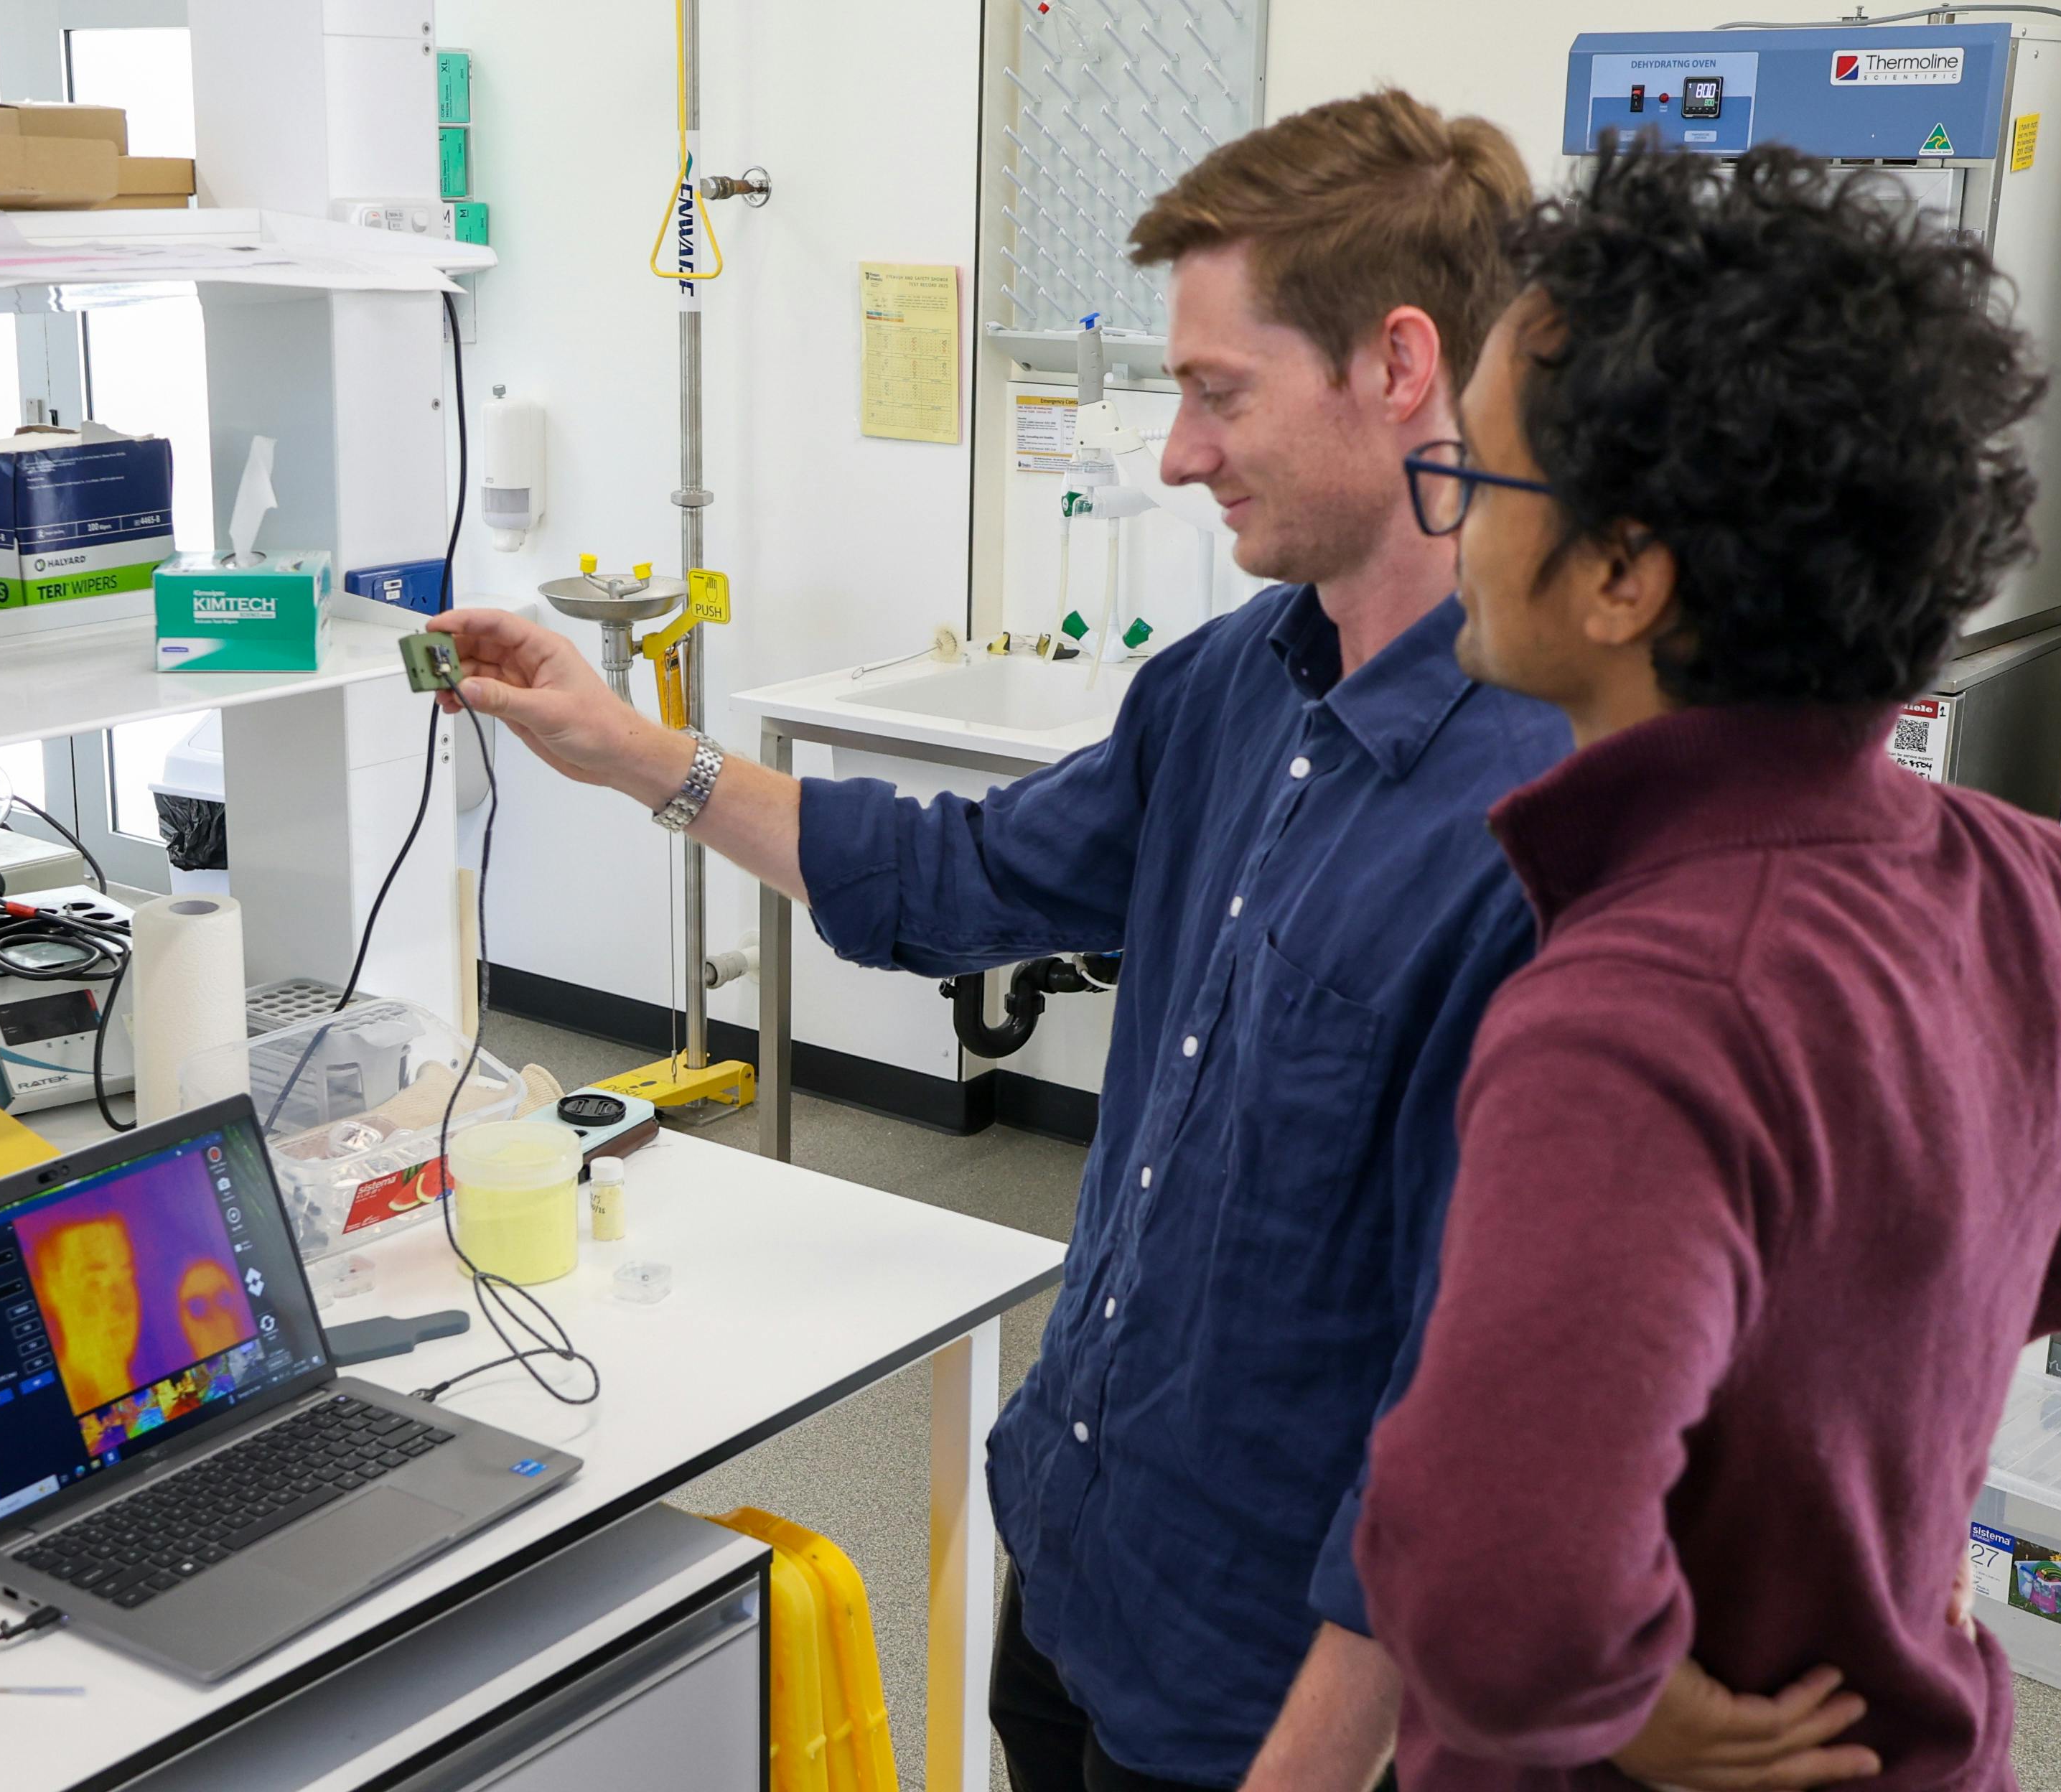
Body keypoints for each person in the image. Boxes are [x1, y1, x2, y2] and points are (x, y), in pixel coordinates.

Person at [436, 90, 1569, 1792]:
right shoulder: (1224, 690)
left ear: (1401, 368)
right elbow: (955, 879)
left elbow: (1475, 1427)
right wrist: (636, 754)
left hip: (1260, 1691)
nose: (1180, 453)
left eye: (1214, 392)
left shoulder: (1543, 821)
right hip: (1076, 1551)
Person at [1355, 139, 2061, 1792]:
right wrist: (1949, 1314)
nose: (1440, 515)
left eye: (1479, 477)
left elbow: (1498, 1606)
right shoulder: (2036, 889)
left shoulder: (1637, 1017)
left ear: (1621, 574)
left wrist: (1623, 1693)